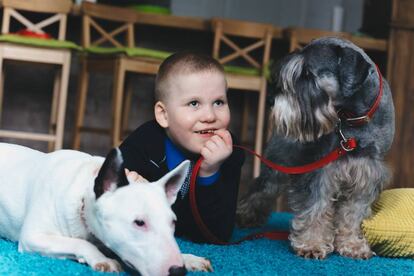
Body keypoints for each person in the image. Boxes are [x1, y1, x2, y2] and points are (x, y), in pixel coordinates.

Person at [119, 52, 245, 242]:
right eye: (194, 103)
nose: (209, 116)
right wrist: (128, 184)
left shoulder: (230, 152)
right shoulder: (142, 145)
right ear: (164, 115)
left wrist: (209, 172)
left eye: (219, 102)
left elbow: (217, 235)